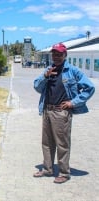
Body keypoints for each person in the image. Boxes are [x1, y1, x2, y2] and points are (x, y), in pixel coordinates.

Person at [33, 43, 95, 184]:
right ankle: (48, 169)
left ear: (65, 55)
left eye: (59, 54)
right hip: (47, 111)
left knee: (62, 144)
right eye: (54, 54)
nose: (56, 56)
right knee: (47, 143)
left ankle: (64, 173)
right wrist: (45, 76)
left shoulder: (73, 71)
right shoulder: (49, 70)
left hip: (61, 113)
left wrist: (73, 103)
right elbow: (36, 86)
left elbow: (89, 88)